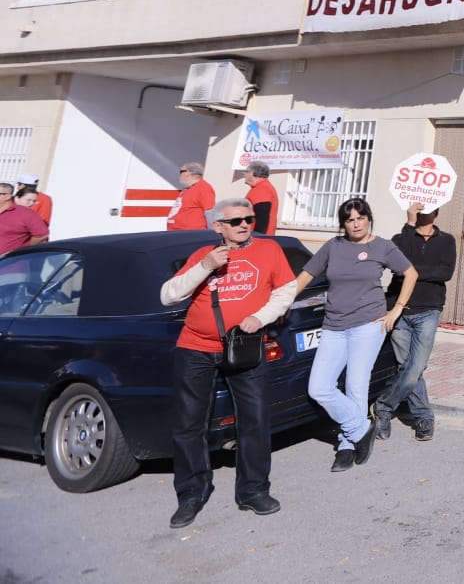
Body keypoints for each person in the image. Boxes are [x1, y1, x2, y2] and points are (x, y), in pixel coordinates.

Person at [160, 198, 296, 526]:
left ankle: (253, 491)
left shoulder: (269, 250)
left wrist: (260, 318)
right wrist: (205, 266)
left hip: (246, 347)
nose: (244, 225)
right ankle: (191, 493)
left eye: (248, 219)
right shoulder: (201, 257)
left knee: (255, 420)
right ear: (217, 226)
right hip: (196, 348)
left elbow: (287, 290)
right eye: (235, 221)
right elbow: (168, 295)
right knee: (190, 424)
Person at [294, 197, 418, 471]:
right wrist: (276, 304)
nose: (355, 223)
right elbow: (304, 277)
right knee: (320, 387)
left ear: (368, 218)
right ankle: (362, 428)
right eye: (349, 220)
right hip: (334, 326)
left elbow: (410, 273)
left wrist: (396, 309)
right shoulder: (333, 247)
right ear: (343, 224)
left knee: (355, 386)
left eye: (360, 218)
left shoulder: (382, 246)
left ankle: (346, 445)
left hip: (368, 324)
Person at [373, 202, 458, 442]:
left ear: (437, 212)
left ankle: (384, 406)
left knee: (416, 366)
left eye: (428, 209)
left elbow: (445, 272)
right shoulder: (401, 237)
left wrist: (410, 270)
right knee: (407, 368)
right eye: (418, 211)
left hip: (428, 310)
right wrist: (409, 224)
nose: (423, 213)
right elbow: (394, 263)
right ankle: (423, 416)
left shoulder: (447, 240)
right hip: (399, 311)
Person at [0, 182, 49, 254]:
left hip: (11, 262)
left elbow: (41, 235)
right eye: (28, 200)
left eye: (33, 201)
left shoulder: (26, 213)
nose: (31, 203)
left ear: (8, 196)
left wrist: (24, 249)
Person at [168, 162, 215, 231]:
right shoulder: (188, 188)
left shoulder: (203, 188)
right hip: (177, 232)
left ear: (189, 173)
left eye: (181, 171)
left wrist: (211, 233)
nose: (179, 174)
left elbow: (210, 212)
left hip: (191, 234)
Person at [244, 162, 278, 236]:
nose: (244, 174)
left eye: (246, 172)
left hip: (258, 236)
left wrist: (258, 238)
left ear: (252, 173)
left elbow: (262, 219)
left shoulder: (262, 188)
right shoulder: (261, 187)